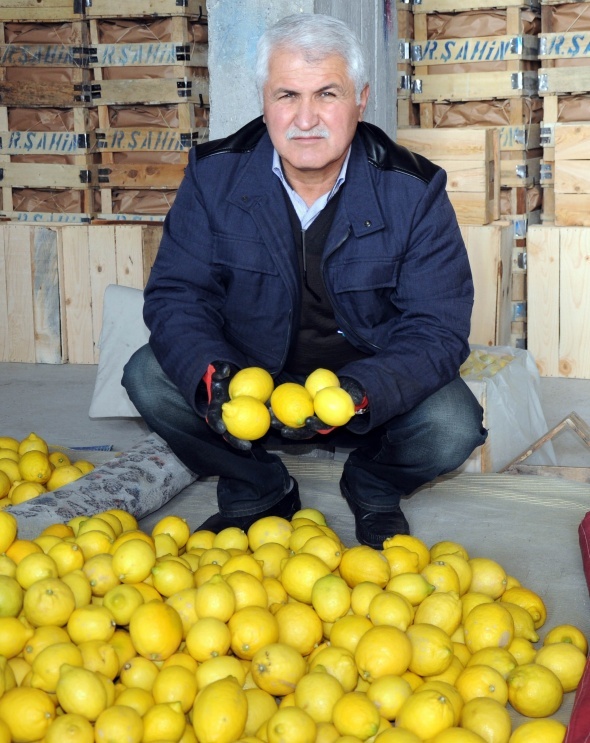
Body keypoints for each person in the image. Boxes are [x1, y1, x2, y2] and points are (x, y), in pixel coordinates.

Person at [122, 13, 487, 549]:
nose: (306, 118)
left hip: (364, 390)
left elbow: (438, 327)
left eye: (328, 94)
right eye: (287, 95)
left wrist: (364, 392)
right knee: (148, 375)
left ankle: (373, 483)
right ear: (264, 102)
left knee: (453, 424)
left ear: (361, 100)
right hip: (249, 376)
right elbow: (179, 296)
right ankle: (259, 488)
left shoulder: (415, 190)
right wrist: (216, 377)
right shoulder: (213, 175)